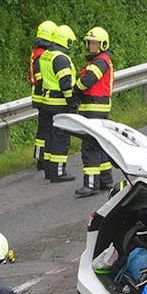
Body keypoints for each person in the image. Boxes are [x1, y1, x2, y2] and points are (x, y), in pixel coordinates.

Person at [74, 27, 114, 197]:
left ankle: (90, 185)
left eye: (94, 43)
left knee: (90, 147)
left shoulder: (100, 62)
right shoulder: (99, 61)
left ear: (102, 44)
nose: (91, 46)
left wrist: (75, 89)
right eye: (90, 43)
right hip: (97, 108)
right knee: (100, 144)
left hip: (94, 109)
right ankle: (105, 180)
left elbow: (88, 81)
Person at [36, 25, 76, 183]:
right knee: (61, 138)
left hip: (46, 102)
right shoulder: (60, 58)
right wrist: (71, 102)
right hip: (59, 103)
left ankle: (50, 170)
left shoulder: (46, 55)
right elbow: (65, 82)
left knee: (49, 136)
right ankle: (58, 172)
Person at [27, 21, 57, 169]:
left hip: (39, 95)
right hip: (43, 95)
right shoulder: (42, 54)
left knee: (43, 127)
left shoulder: (37, 52)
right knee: (46, 128)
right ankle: (43, 159)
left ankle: (41, 156)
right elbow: (39, 77)